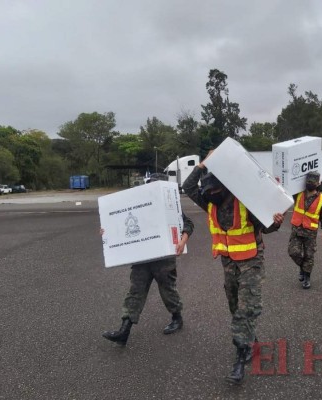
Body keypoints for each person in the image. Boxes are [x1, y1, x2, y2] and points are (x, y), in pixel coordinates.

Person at [182, 154, 284, 385]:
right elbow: (188, 186)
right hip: (228, 262)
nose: (213, 199)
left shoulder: (245, 200)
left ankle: (240, 356)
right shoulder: (209, 200)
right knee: (234, 304)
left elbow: (266, 227)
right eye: (210, 195)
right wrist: (202, 165)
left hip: (251, 260)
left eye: (216, 194)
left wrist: (276, 222)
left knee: (248, 307)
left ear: (225, 188)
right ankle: (251, 340)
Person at [101, 212, 194, 346]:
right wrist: (107, 232)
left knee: (168, 290)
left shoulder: (163, 199)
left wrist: (182, 240)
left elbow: (188, 223)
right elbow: (120, 227)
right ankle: (124, 330)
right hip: (142, 257)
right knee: (135, 291)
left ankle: (177, 318)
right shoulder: (133, 201)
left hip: (164, 258)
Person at [288, 171, 322, 289]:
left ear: (317, 183)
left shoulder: (321, 199)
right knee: (293, 252)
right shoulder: (298, 194)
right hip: (296, 229)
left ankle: (307, 277)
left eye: (312, 182)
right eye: (308, 182)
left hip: (310, 232)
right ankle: (302, 267)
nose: (310, 184)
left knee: (309, 255)